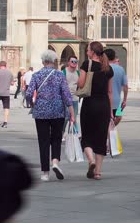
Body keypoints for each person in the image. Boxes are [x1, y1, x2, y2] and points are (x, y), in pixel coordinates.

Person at [26, 50, 75, 182]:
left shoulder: (36, 75)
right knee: (56, 138)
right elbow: (66, 95)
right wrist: (72, 113)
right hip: (58, 111)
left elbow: (29, 93)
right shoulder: (60, 75)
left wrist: (31, 104)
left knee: (43, 141)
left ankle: (45, 173)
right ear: (54, 61)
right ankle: (55, 162)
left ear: (43, 61)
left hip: (41, 112)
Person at [79, 41, 114, 180]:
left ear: (92, 52)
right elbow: (110, 92)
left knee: (86, 136)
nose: (87, 51)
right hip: (104, 105)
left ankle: (91, 160)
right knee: (101, 138)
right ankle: (98, 172)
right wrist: (111, 111)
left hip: (89, 104)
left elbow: (81, 84)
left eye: (88, 50)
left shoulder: (86, 65)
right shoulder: (108, 68)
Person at [105, 49, 128, 126]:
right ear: (114, 57)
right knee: (118, 117)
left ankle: (108, 132)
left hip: (105, 100)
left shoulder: (104, 68)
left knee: (106, 120)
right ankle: (110, 131)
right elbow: (125, 86)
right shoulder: (121, 69)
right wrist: (124, 100)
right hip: (117, 101)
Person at [62, 55, 80, 134]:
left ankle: (73, 134)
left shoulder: (78, 73)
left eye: (75, 62)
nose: (74, 63)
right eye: (72, 61)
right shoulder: (64, 72)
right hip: (65, 99)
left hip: (75, 99)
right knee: (66, 118)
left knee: (73, 118)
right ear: (68, 62)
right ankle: (61, 133)